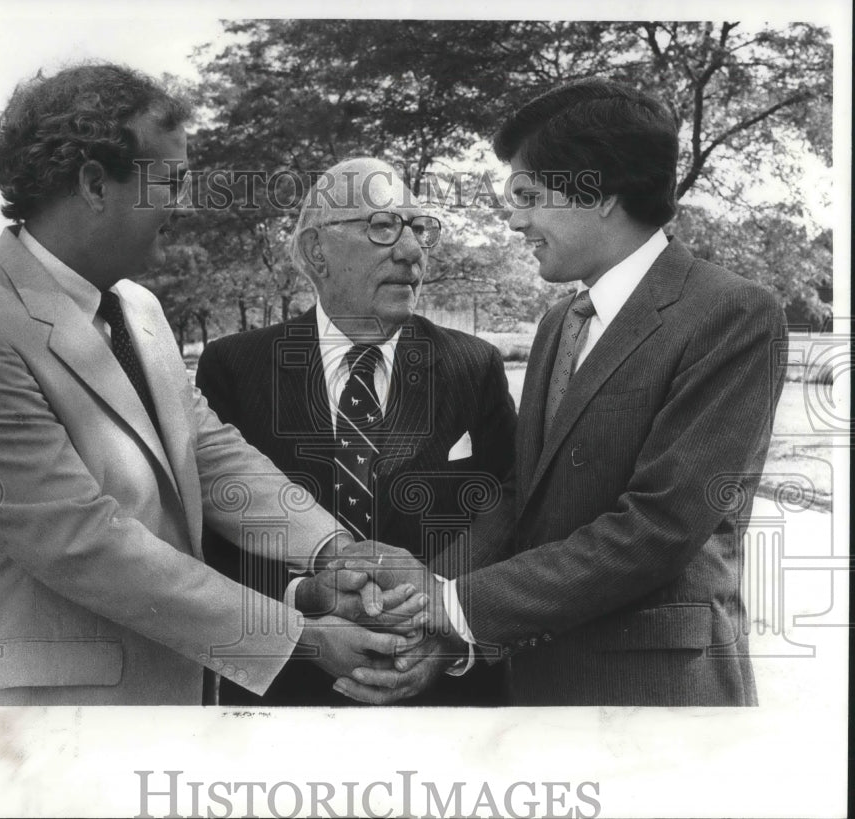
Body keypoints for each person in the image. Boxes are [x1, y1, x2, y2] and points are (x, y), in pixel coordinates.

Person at [0, 64, 415, 706]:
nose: (181, 204)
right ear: (93, 183)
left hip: (174, 703)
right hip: (57, 729)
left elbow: (210, 452)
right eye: (170, 182)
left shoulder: (137, 308)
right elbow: (82, 544)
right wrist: (299, 637)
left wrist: (333, 550)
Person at [333, 78, 788, 706]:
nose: (515, 219)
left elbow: (659, 526)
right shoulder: (559, 324)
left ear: (597, 192)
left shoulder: (731, 313)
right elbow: (528, 494)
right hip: (539, 688)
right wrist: (431, 592)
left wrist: (453, 603)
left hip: (656, 696)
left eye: (528, 195)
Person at [195, 157, 517, 705]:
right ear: (318, 251)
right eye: (383, 227)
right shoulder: (235, 366)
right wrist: (306, 598)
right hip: (289, 699)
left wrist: (442, 627)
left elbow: (510, 506)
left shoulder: (473, 364)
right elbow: (208, 533)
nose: (412, 252)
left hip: (447, 698)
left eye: (419, 229)